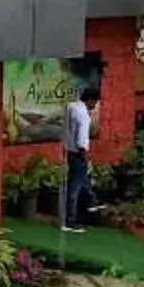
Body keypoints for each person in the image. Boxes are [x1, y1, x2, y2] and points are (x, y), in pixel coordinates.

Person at [60, 87, 97, 229]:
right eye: (94, 102)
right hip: (78, 152)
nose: (95, 106)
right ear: (90, 100)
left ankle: (92, 202)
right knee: (75, 186)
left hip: (69, 150)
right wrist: (85, 157)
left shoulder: (71, 107)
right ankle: (71, 220)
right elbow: (82, 139)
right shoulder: (83, 116)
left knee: (81, 182)